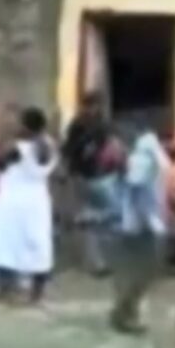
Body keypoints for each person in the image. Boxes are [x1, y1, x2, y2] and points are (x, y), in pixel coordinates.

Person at [0, 108, 58, 303]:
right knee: (38, 244)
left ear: (26, 126)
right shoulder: (49, 145)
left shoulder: (19, 148)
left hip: (13, 200)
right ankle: (37, 292)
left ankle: (6, 289)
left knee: (6, 244)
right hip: (38, 200)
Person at [110, 121, 171, 334]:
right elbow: (139, 190)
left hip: (140, 223)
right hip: (144, 224)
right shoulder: (148, 157)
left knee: (140, 272)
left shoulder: (144, 157)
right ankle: (125, 313)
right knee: (143, 272)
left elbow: (139, 189)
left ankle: (126, 311)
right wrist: (150, 220)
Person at [63, 92, 121, 276]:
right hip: (85, 177)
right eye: (91, 106)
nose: (94, 110)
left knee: (101, 219)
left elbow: (110, 145)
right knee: (92, 220)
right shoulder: (78, 126)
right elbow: (69, 151)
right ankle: (97, 263)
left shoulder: (100, 125)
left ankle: (100, 261)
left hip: (100, 176)